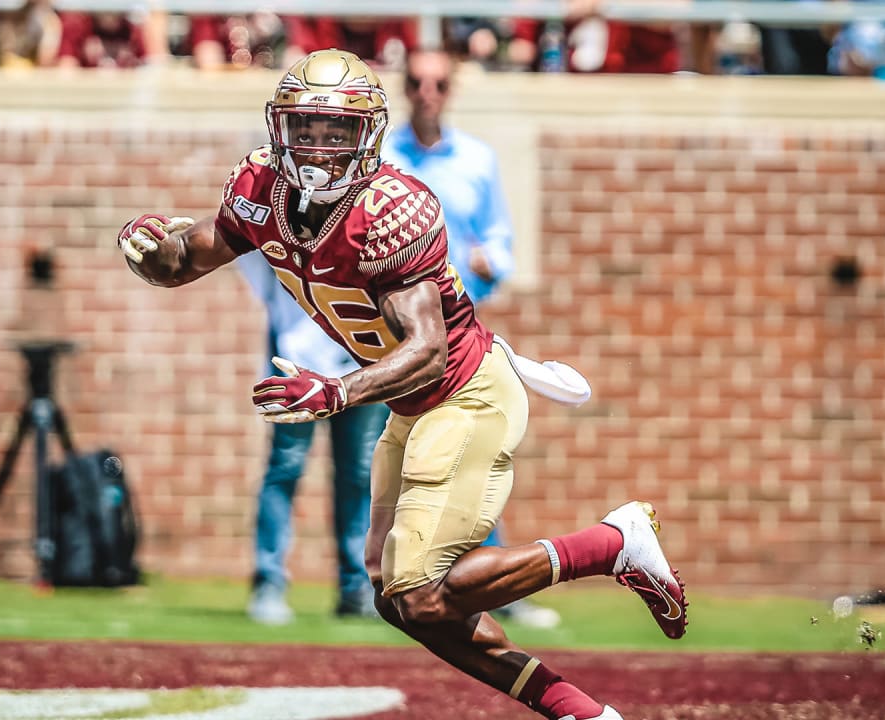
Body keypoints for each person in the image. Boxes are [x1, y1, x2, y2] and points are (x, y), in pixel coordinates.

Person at [117, 49, 687, 720]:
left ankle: (613, 544)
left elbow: (426, 348)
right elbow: (189, 257)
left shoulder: (391, 208)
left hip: (463, 392)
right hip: (413, 406)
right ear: (279, 127)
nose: (319, 148)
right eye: (305, 127)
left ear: (370, 135)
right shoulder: (257, 188)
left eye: (337, 132)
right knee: (398, 600)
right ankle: (577, 709)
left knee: (420, 592)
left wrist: (336, 392)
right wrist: (152, 254)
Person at [381, 49, 559, 630]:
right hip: (392, 338)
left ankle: (500, 584)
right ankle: (373, 583)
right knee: (388, 466)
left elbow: (500, 240)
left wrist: (490, 259)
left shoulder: (477, 160)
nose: (426, 92)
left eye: (437, 83)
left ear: (450, 89)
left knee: (475, 463)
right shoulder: (383, 160)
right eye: (416, 82)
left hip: (458, 337)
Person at [235, 250, 388, 624]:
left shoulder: (370, 213)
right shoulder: (282, 213)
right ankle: (269, 580)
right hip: (296, 359)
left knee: (360, 474)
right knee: (285, 467)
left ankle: (357, 588)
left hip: (363, 363)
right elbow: (248, 259)